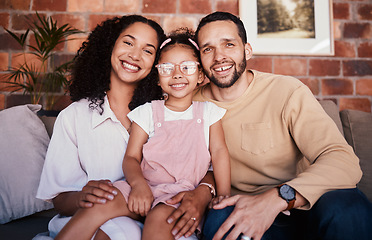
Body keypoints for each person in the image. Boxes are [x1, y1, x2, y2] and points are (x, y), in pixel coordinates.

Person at [192, 11, 372, 240]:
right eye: (208, 49)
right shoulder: (191, 103)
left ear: (247, 50)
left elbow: (344, 161)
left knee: (350, 208)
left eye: (228, 44)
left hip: (305, 203)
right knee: (220, 220)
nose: (219, 57)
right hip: (245, 211)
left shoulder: (286, 91)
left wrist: (278, 197)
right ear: (200, 58)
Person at [36, 15, 214, 240]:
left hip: (159, 214)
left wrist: (203, 193)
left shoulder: (171, 110)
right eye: (128, 43)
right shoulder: (74, 116)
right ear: (111, 45)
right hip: (92, 221)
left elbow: (206, 163)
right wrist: (82, 196)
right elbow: (59, 199)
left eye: (148, 51)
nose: (135, 55)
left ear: (158, 65)